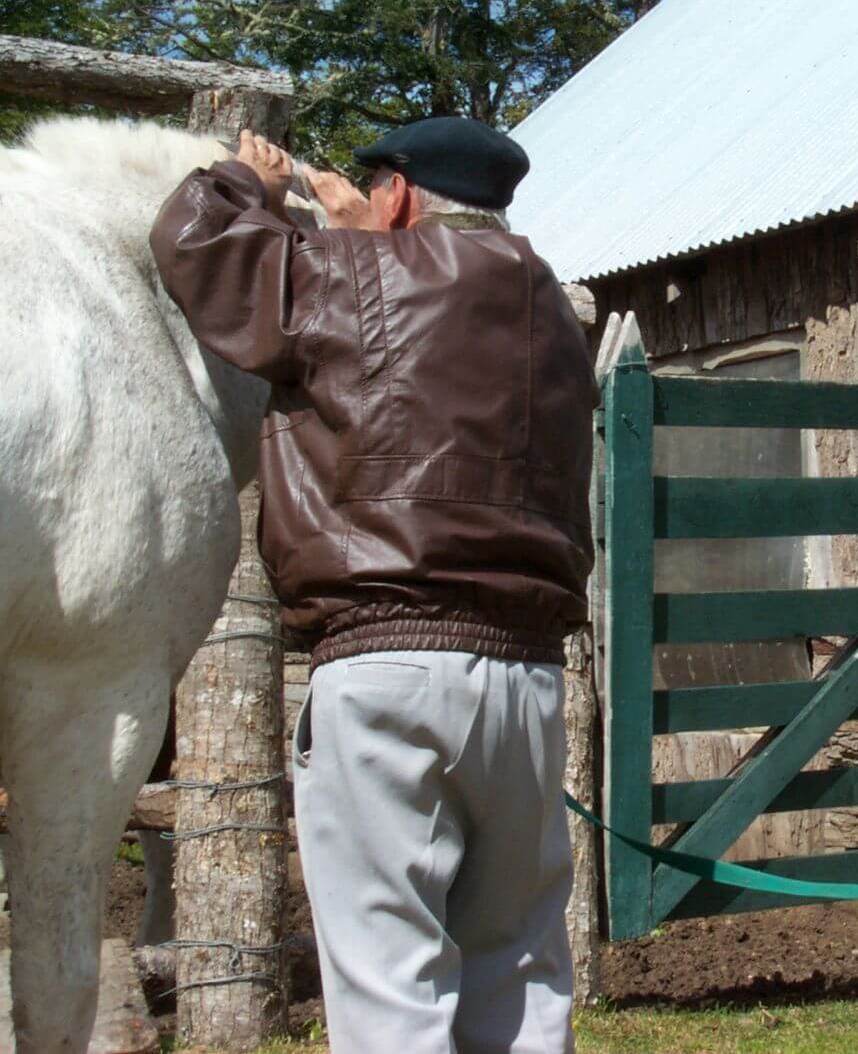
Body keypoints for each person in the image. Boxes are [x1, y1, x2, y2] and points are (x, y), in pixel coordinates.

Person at [149, 117, 597, 1053]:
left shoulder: (345, 276)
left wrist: (249, 180)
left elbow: (192, 241)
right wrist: (368, 241)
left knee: (391, 987)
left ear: (397, 194)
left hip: (384, 664)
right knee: (520, 972)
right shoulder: (555, 313)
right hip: (525, 680)